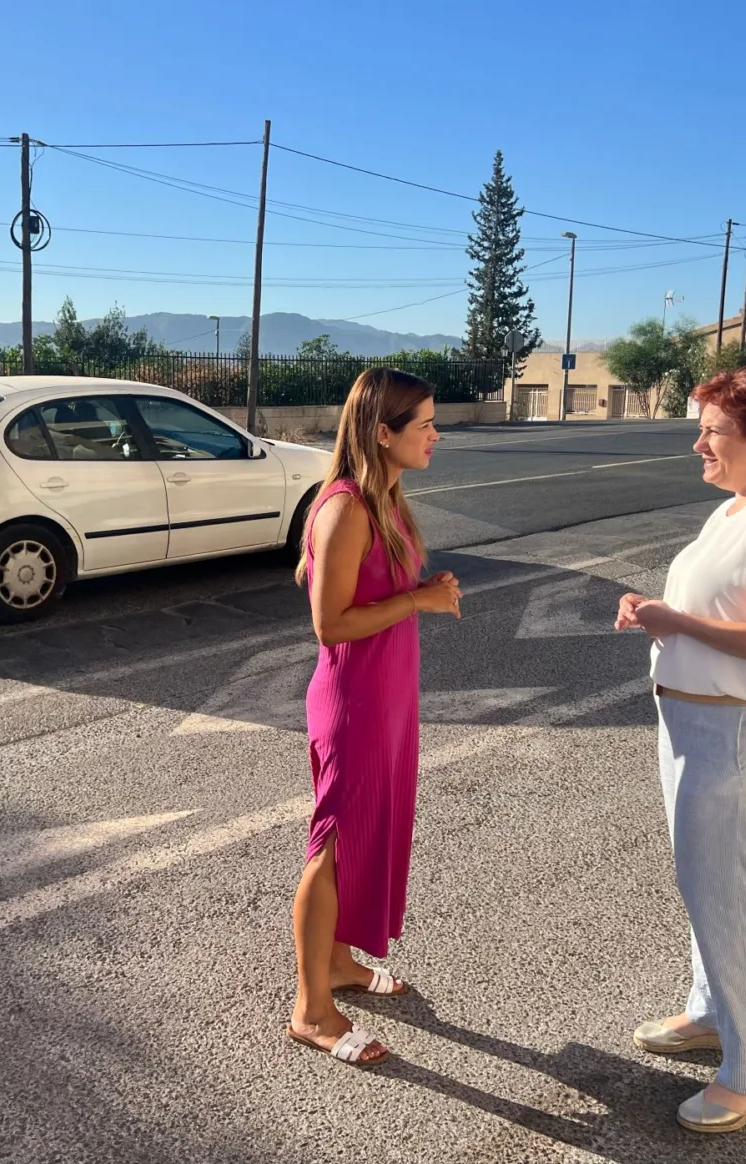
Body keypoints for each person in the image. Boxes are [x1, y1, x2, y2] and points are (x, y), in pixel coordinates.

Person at [615, 363, 746, 1133]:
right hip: (699, 727)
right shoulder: (742, 507)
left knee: (734, 897)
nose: (697, 443)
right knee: (709, 886)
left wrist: (671, 622)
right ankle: (714, 1012)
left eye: (712, 430)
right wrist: (659, 610)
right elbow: (723, 607)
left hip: (736, 733)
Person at [286, 367, 462, 1068]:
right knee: (332, 846)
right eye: (423, 424)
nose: (435, 434)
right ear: (382, 433)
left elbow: (380, 592)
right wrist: (418, 601)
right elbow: (329, 624)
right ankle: (311, 1009)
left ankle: (337, 963)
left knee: (361, 840)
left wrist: (422, 590)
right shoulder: (346, 508)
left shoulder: (388, 499)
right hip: (353, 704)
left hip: (387, 697)